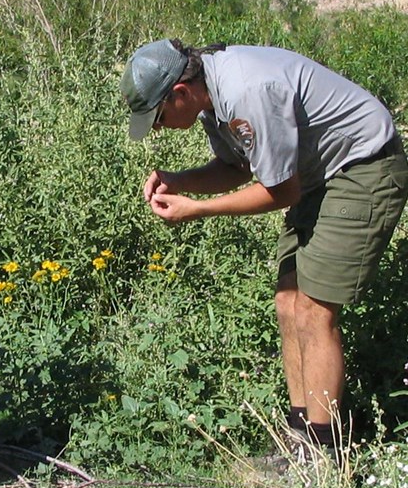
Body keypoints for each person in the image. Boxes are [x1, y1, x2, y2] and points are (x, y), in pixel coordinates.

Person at [120, 38, 408, 459]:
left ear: (179, 93)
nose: (158, 128)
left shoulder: (244, 90)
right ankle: (300, 444)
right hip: (319, 178)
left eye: (158, 117)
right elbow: (236, 168)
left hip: (364, 166)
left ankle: (324, 462)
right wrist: (179, 180)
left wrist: (198, 210)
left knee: (314, 309)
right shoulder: (212, 100)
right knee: (288, 302)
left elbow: (281, 191)